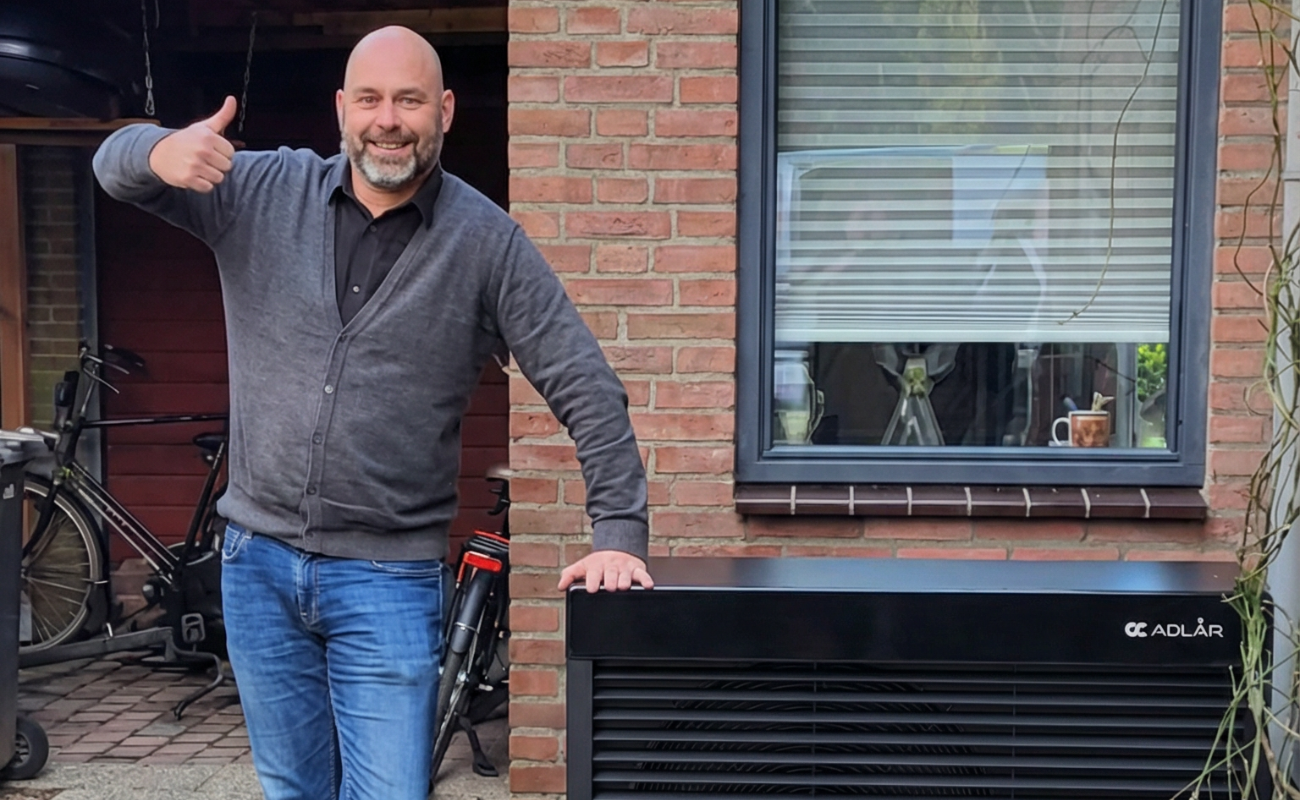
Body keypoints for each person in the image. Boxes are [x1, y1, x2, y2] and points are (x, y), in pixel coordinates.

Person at [93, 26, 652, 800]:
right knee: (294, 788)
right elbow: (111, 167)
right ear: (341, 109)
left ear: (444, 111)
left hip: (388, 579)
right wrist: (158, 150)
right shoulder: (264, 192)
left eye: (409, 100)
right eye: (370, 99)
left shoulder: (487, 244)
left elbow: (584, 381)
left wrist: (618, 531)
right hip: (257, 566)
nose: (388, 119)